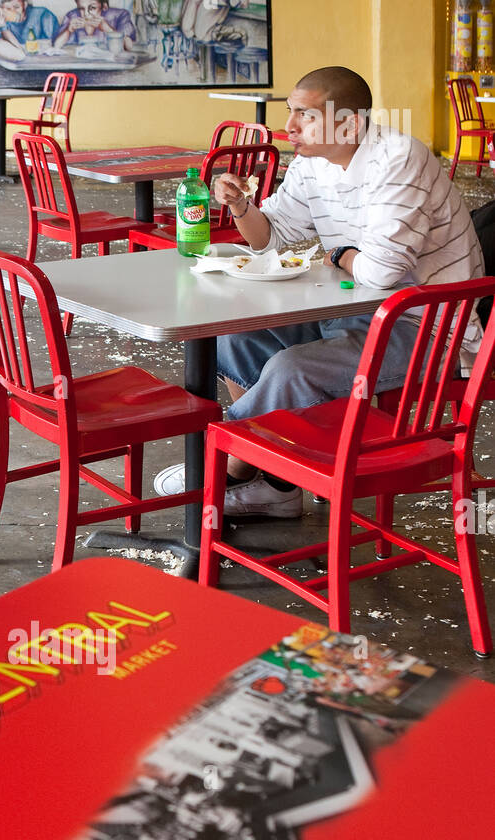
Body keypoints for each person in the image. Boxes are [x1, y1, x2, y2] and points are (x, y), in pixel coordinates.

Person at [153, 66, 487, 518]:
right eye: (290, 113)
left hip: (428, 328)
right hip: (353, 311)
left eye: (305, 116)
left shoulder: (399, 159)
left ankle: (223, 467)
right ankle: (276, 483)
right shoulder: (313, 164)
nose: (289, 127)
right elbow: (273, 236)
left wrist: (342, 256)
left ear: (349, 123)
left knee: (294, 370)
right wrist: (241, 205)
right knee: (235, 335)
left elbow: (383, 271)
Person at [54, 0, 137, 50]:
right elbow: (56, 45)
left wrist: (108, 29)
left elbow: (129, 46)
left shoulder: (120, 15)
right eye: (81, 9)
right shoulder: (72, 15)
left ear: (104, 6)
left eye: (92, 8)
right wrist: (69, 30)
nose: (86, 14)